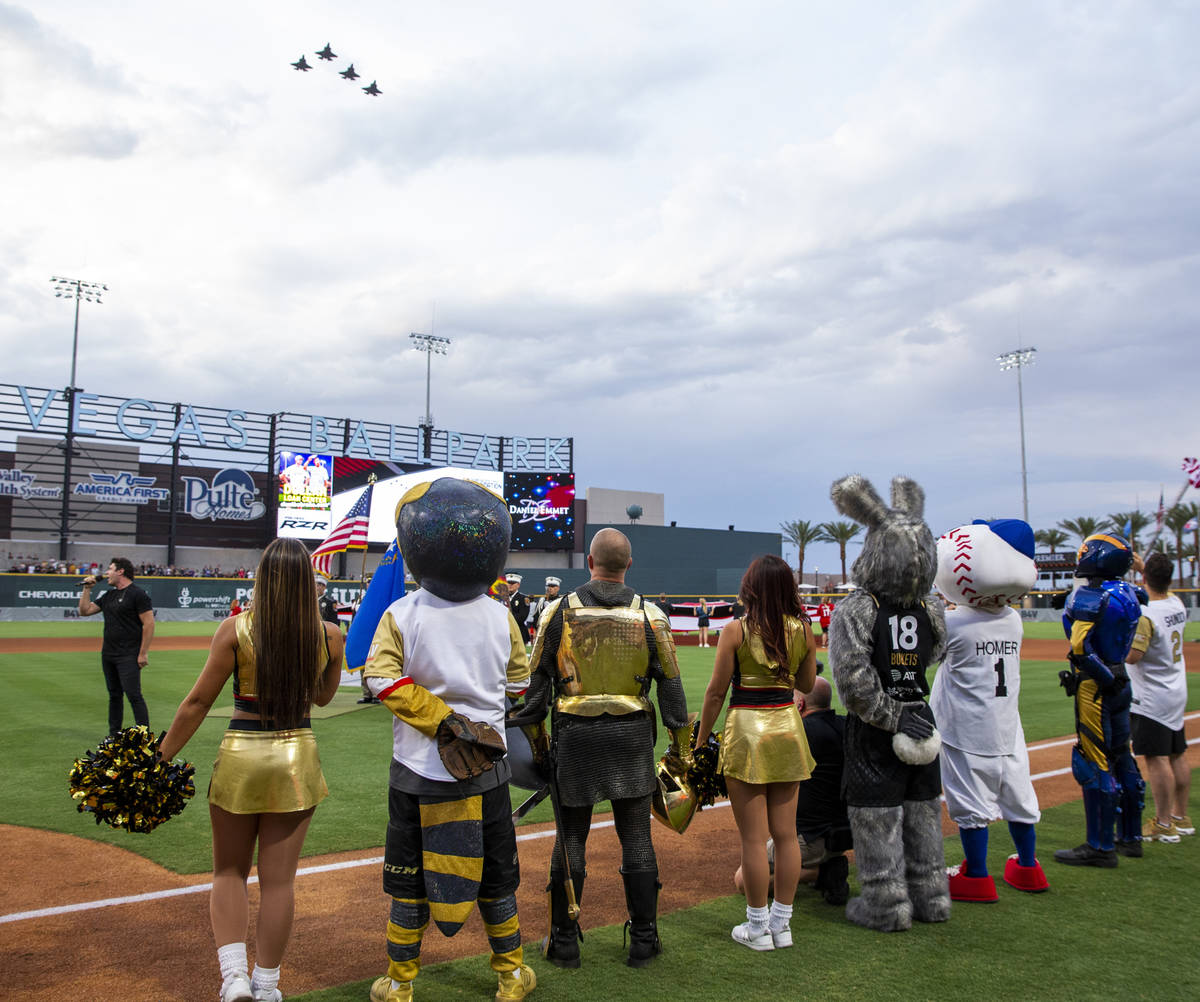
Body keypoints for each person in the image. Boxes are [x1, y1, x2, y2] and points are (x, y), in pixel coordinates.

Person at [362, 478, 536, 1002]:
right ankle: (509, 976)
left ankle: (399, 983)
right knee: (497, 875)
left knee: (408, 879)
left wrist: (437, 718)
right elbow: (519, 684)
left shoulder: (402, 614)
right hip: (489, 769)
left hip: (415, 770)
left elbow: (381, 679)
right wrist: (469, 717)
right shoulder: (502, 616)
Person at [158, 538, 345, 1002]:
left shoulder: (234, 630)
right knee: (279, 881)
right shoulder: (330, 635)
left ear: (262, 578)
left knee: (229, 872)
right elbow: (322, 698)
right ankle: (267, 986)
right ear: (309, 582)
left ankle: (234, 979)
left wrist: (159, 758)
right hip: (295, 757)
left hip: (242, 754)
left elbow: (198, 702)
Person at [511, 527, 691, 969]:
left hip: (576, 738)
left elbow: (533, 702)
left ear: (590, 562)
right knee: (636, 837)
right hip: (631, 739)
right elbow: (673, 693)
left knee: (571, 836)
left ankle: (564, 940)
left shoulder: (556, 612)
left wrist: (538, 750)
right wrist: (681, 753)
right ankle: (644, 940)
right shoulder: (652, 616)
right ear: (628, 565)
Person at [696, 554, 817, 951]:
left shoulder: (736, 630)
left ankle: (757, 927)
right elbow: (807, 682)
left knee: (752, 839)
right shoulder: (803, 629)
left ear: (751, 587)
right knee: (787, 836)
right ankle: (782, 926)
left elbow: (716, 692)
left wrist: (700, 742)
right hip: (786, 727)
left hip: (747, 728)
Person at [1055, 532, 1145, 867]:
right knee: (1123, 754)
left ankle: (1100, 845)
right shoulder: (1130, 592)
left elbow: (1080, 649)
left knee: (1093, 760)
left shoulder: (1088, 597)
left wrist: (1099, 679)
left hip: (1097, 685)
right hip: (1122, 678)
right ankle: (1131, 837)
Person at [731, 676, 850, 906]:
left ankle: (821, 873)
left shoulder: (798, 734)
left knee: (743, 880)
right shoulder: (844, 726)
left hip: (809, 839)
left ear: (800, 704)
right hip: (843, 833)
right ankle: (828, 864)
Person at [1126, 551, 1192, 842]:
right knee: (1178, 753)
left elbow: (1133, 656)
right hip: (1176, 688)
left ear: (1143, 578)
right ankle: (1181, 816)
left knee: (1157, 758)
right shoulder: (1176, 602)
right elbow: (1161, 590)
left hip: (1152, 696)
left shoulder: (1145, 614)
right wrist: (1145, 570)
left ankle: (1164, 824)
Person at [78, 557, 156, 735]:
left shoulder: (138, 594)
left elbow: (149, 624)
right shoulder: (109, 595)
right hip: (109, 653)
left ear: (121, 571)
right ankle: (114, 735)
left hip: (129, 654)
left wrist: (143, 653)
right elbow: (84, 611)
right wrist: (87, 589)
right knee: (114, 695)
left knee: (134, 695)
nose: (107, 573)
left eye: (110, 569)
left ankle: (144, 735)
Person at [528, 576, 562, 643]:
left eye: (553, 586)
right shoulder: (541, 602)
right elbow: (536, 617)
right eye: (548, 586)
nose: (550, 588)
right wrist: (535, 630)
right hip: (543, 633)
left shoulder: (561, 601)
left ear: (558, 588)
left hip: (557, 633)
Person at [506, 573, 531, 645]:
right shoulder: (502, 598)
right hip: (504, 632)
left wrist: (505, 618)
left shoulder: (523, 599)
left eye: (513, 583)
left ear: (518, 585)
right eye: (508, 583)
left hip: (518, 631)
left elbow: (522, 617)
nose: (510, 585)